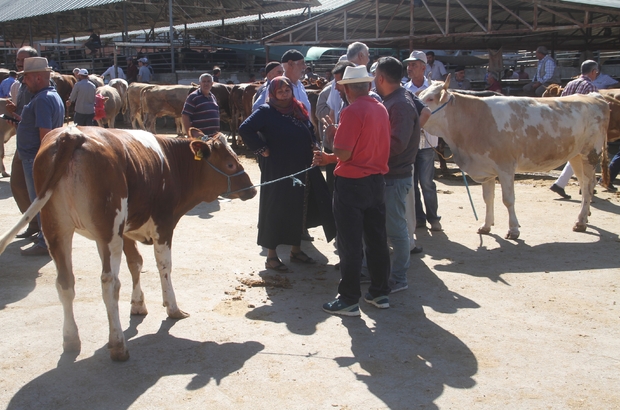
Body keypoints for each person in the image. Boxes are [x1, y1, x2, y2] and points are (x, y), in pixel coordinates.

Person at [313, 66, 391, 316]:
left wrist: (334, 138)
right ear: (367, 86)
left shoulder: (352, 111)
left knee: (349, 243)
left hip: (352, 184)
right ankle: (380, 292)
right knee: (377, 239)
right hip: (376, 181)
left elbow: (344, 153)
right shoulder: (380, 108)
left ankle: (348, 299)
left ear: (347, 88)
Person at [240, 76, 335, 273]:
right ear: (273, 93)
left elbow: (309, 129)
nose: (284, 94)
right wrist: (261, 149)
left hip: (302, 168)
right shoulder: (266, 111)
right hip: (279, 170)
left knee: (299, 208)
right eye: (280, 91)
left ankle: (296, 250)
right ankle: (271, 256)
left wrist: (314, 144)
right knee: (276, 209)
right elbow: (245, 129)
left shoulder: (297, 107)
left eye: (287, 90)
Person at [374, 56, 421, 293]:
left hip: (394, 175)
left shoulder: (399, 104)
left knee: (395, 229)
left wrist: (367, 152)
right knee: (391, 227)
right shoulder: (395, 99)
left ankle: (400, 277)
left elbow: (397, 144)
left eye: (375, 76)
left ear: (381, 78)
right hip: (390, 174)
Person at [12, 57, 65, 256]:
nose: (23, 82)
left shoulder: (42, 99)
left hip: (35, 158)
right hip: (36, 156)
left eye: (26, 78)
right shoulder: (50, 96)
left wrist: (40, 162)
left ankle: (45, 242)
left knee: (40, 201)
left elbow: (45, 134)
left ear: (37, 78)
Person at [549, 60, 600, 199]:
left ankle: (561, 184)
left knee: (574, 156)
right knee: (584, 156)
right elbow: (594, 112)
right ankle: (585, 185)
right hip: (582, 128)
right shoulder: (591, 87)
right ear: (593, 71)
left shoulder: (570, 85)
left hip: (566, 126)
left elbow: (560, 105)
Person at [403, 50, 442, 232]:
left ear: (423, 68)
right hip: (411, 143)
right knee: (412, 184)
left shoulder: (435, 89)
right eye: (409, 65)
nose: (409, 68)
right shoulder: (403, 89)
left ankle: (433, 218)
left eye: (414, 65)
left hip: (427, 143)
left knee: (426, 182)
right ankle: (419, 218)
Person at [6, 46, 41, 240]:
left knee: (35, 188)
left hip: (34, 141)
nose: (18, 62)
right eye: (18, 59)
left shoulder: (37, 84)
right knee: (18, 184)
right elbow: (24, 110)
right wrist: (14, 114)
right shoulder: (20, 82)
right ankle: (33, 223)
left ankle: (45, 231)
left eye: (23, 59)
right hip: (23, 137)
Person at [252, 49, 311, 115]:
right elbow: (257, 108)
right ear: (291, 63)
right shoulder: (275, 85)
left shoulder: (300, 86)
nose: (305, 67)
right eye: (302, 63)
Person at [327, 42, 371, 123]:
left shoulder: (337, 78)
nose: (368, 60)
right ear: (361, 55)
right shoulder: (365, 77)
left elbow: (332, 112)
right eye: (368, 55)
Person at [181, 73, 220, 138]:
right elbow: (185, 115)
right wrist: (189, 135)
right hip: (200, 137)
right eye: (204, 81)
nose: (206, 84)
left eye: (208, 81)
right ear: (200, 83)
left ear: (212, 83)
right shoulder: (193, 97)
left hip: (213, 137)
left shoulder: (213, 97)